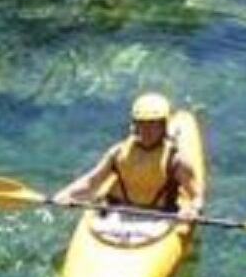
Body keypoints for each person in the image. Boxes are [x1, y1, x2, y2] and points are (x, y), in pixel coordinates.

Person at [52, 93, 205, 221]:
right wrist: (67, 194)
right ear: (135, 125)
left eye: (153, 124)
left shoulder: (176, 160)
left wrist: (193, 210)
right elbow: (92, 182)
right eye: (142, 124)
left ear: (163, 126)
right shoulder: (118, 152)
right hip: (117, 211)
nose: (147, 130)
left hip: (159, 216)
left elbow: (197, 197)